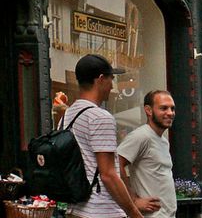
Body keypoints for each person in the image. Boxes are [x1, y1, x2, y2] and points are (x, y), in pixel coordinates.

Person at [64, 54, 145, 218]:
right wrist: (134, 212)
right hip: (101, 210)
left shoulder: (69, 115)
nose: (112, 86)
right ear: (100, 79)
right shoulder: (100, 117)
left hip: (76, 209)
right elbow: (108, 174)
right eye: (111, 79)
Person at [117, 90, 177, 218]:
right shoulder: (141, 136)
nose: (170, 113)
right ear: (148, 110)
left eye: (172, 108)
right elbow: (116, 163)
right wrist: (132, 201)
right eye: (164, 108)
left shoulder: (164, 141)